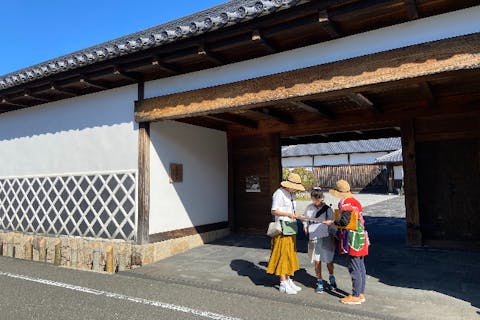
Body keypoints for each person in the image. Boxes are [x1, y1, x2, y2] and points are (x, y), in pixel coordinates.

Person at [323, 179, 369, 305]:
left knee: (353, 267)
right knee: (360, 266)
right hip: (361, 236)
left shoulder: (345, 203)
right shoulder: (355, 202)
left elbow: (344, 221)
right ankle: (360, 293)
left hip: (353, 237)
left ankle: (355, 295)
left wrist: (331, 223)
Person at [266, 172, 305, 294]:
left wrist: (296, 215)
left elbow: (290, 209)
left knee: (290, 253)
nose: (296, 190)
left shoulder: (290, 193)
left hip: (290, 225)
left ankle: (288, 279)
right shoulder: (279, 193)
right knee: (283, 253)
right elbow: (274, 211)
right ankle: (283, 282)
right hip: (282, 227)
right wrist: (290, 215)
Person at [303, 187, 337, 294]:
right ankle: (320, 281)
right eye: (314, 199)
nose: (316, 201)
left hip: (326, 236)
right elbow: (305, 219)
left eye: (318, 199)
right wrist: (305, 226)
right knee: (316, 261)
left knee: (328, 260)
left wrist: (332, 238)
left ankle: (331, 278)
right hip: (313, 237)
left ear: (322, 197)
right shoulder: (309, 208)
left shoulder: (327, 209)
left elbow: (332, 223)